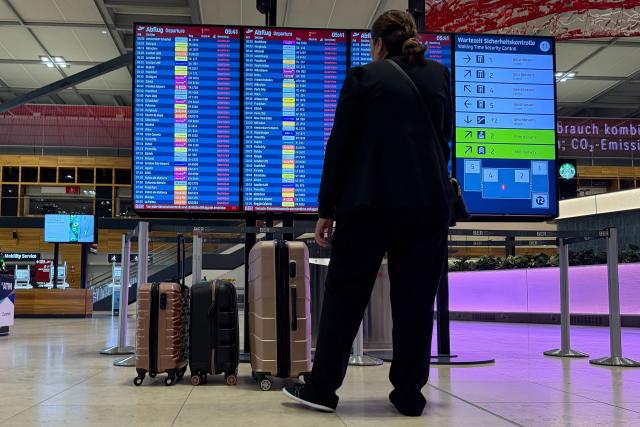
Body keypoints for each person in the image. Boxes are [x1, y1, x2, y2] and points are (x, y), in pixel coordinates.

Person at [283, 10, 453, 417]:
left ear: (377, 43)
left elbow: (339, 146)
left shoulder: (363, 77)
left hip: (370, 204)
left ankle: (323, 388)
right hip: (428, 206)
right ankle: (409, 393)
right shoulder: (439, 76)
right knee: (415, 301)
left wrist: (326, 209)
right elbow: (443, 138)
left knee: (345, 296)